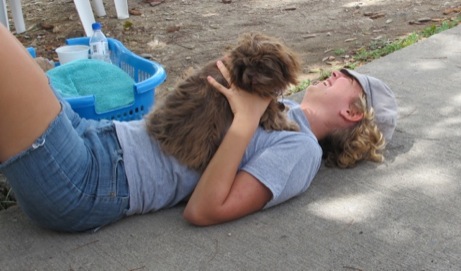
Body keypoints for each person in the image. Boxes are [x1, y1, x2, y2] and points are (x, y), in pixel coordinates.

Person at [0, 24, 397, 232]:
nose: (335, 72)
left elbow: (204, 210)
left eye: (347, 76)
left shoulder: (302, 150)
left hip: (93, 180)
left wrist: (244, 118)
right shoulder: (282, 104)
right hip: (97, 137)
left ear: (354, 112)